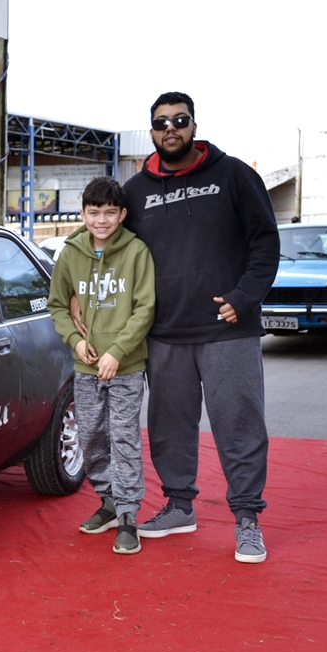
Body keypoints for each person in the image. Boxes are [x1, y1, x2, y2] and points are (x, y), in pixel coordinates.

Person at [121, 91, 280, 564]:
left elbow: (265, 242)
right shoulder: (135, 191)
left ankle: (247, 520)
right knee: (168, 426)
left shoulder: (234, 175)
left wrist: (244, 298)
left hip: (228, 328)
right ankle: (179, 507)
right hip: (164, 331)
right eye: (161, 122)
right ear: (152, 131)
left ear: (194, 125)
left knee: (239, 425)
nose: (170, 128)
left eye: (180, 120)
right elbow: (111, 251)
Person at [48, 176, 156, 555]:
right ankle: (108, 501)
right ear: (82, 213)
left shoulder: (136, 252)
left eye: (110, 213)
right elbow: (58, 305)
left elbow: (145, 308)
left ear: (123, 214)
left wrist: (118, 352)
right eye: (94, 213)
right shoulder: (71, 254)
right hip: (86, 367)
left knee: (123, 437)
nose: (102, 220)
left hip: (125, 366)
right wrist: (76, 342)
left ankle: (127, 515)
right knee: (91, 435)